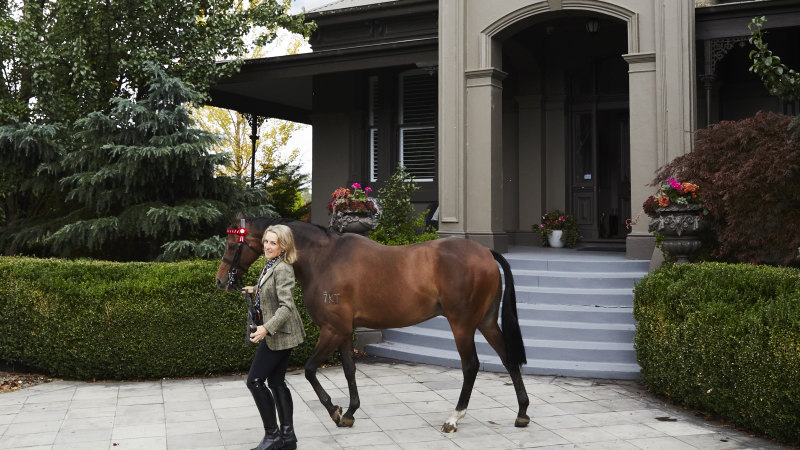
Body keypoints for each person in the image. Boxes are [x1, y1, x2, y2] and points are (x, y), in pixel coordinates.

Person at [242, 224, 305, 450]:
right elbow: (271, 291)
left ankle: (273, 436)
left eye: (273, 243)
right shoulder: (271, 264)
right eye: (266, 241)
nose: (267, 246)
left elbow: (287, 306)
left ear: (283, 246)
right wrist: (254, 290)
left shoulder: (283, 268)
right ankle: (288, 438)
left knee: (255, 381)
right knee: (276, 382)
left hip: (280, 334)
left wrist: (265, 328)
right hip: (279, 333)